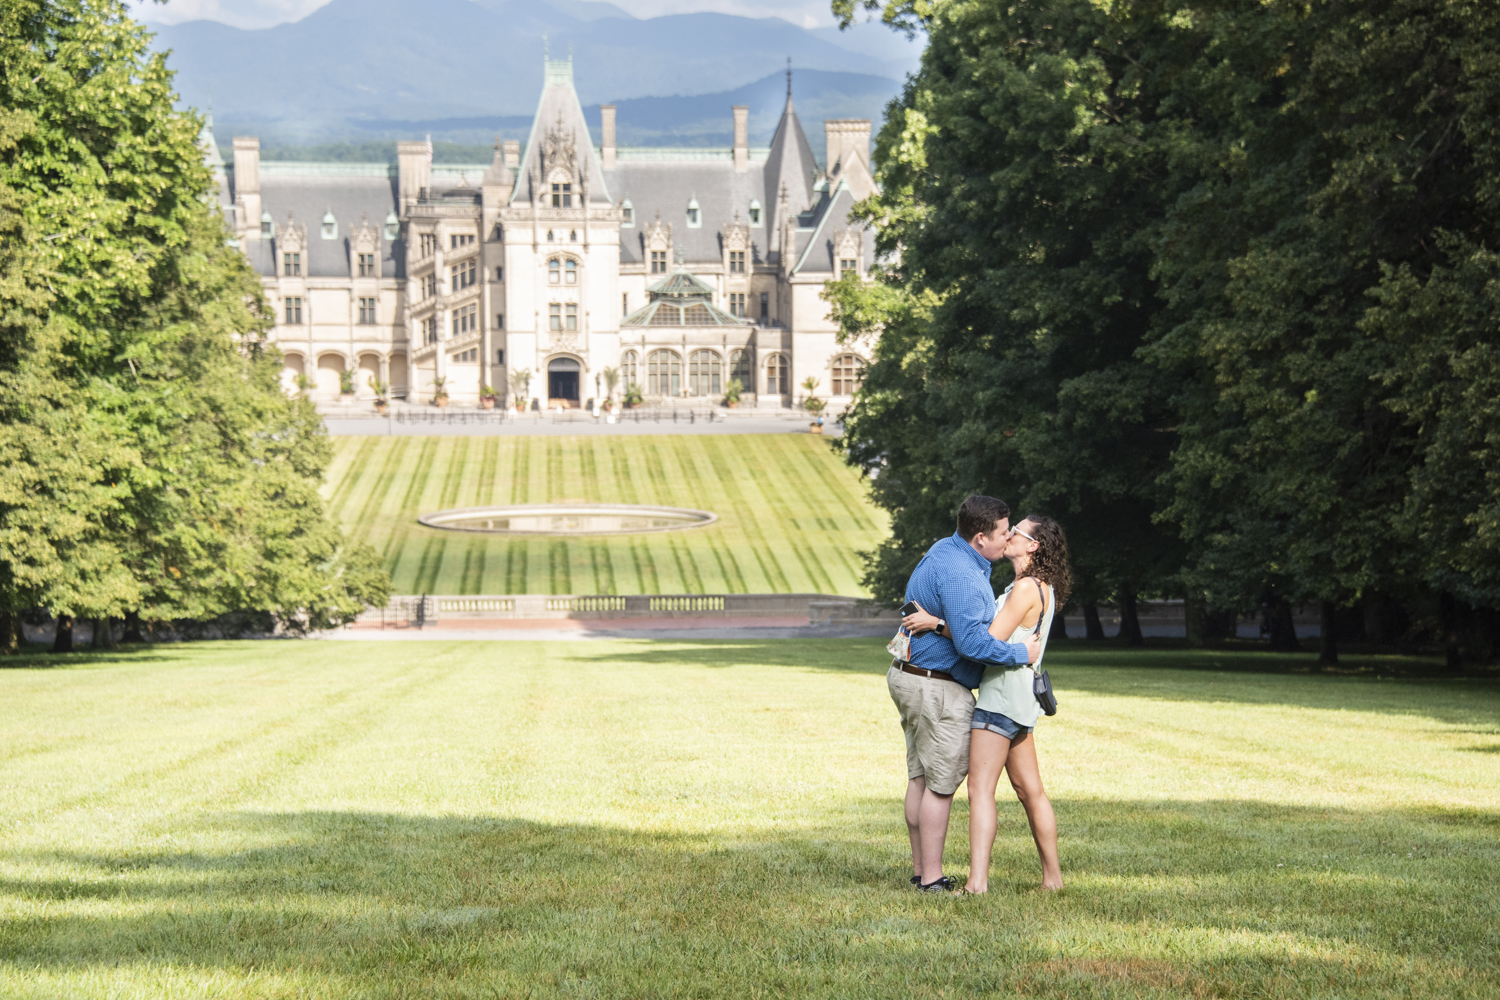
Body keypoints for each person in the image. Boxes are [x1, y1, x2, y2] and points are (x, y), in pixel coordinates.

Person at [903, 514, 1071, 892]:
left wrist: (935, 623)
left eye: (1017, 532)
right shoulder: (1044, 587)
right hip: (1022, 699)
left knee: (980, 790)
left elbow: (984, 643)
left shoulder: (1025, 588)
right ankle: (1053, 879)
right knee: (1031, 791)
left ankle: (977, 883)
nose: (1008, 535)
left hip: (999, 699)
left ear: (1033, 546)